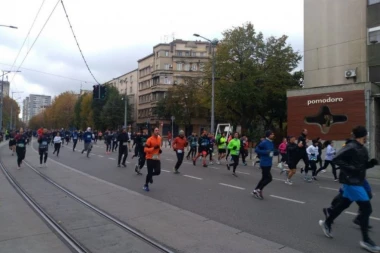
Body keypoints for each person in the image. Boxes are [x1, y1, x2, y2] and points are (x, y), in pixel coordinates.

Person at [318, 126, 379, 252]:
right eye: (366, 135)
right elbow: (336, 159)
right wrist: (350, 169)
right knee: (366, 209)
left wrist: (370, 164)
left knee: (343, 205)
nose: (367, 137)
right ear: (363, 135)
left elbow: (360, 167)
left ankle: (327, 222)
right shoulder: (351, 146)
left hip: (358, 181)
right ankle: (366, 240)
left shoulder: (362, 148)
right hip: (352, 182)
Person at [252, 130, 275, 200]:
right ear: (268, 135)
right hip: (264, 163)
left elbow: (272, 151)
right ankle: (258, 190)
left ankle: (255, 190)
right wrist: (265, 152)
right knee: (269, 178)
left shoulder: (271, 142)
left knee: (264, 178)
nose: (273, 135)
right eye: (272, 134)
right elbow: (256, 150)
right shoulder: (264, 142)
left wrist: (276, 152)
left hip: (269, 163)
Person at [143, 128, 162, 192]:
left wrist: (159, 150)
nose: (157, 131)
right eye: (156, 130)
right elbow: (145, 149)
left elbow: (159, 147)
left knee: (158, 171)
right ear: (153, 132)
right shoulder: (149, 139)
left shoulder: (159, 138)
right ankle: (146, 185)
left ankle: (151, 176)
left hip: (156, 157)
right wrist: (153, 148)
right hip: (149, 158)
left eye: (158, 130)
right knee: (149, 172)